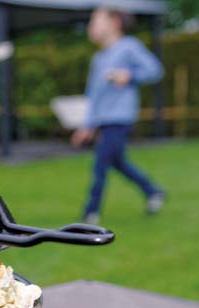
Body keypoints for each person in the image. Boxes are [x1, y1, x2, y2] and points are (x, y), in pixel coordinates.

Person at [72, 8, 166, 223]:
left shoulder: (129, 47)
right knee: (117, 162)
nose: (90, 28)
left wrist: (129, 75)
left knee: (101, 164)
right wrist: (87, 125)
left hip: (120, 117)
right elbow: (93, 96)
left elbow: (155, 70)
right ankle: (152, 191)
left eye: (95, 22)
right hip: (103, 120)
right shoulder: (98, 58)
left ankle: (90, 213)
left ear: (114, 23)